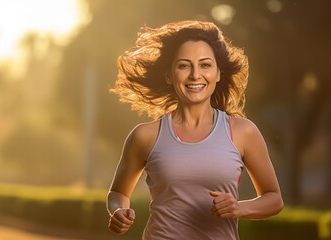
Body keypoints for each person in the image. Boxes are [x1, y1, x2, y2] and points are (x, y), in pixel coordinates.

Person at [106, 20, 283, 240]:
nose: (195, 75)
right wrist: (118, 211)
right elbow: (118, 193)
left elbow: (274, 198)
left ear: (218, 73)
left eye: (205, 65)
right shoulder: (145, 136)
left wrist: (239, 208)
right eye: (184, 65)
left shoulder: (243, 132)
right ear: (169, 75)